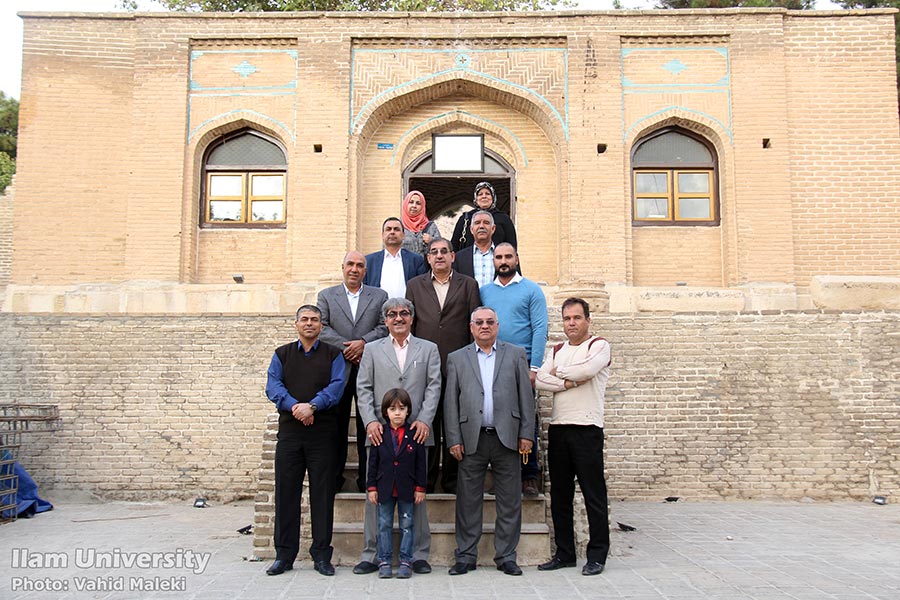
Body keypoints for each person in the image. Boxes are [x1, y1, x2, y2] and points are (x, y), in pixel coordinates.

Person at [353, 297, 442, 576]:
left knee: (416, 494)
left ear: (412, 318)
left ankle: (417, 554)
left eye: (404, 313)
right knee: (375, 496)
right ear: (385, 320)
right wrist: (369, 422)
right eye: (392, 314)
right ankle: (371, 553)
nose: (398, 318)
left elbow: (433, 386)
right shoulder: (372, 350)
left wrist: (425, 420)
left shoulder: (428, 349)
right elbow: (363, 388)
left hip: (415, 433)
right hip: (380, 434)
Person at [443, 306, 534, 576]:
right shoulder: (457, 358)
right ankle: (466, 555)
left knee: (509, 501)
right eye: (479, 322)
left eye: (490, 322)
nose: (484, 326)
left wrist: (527, 434)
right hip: (472, 439)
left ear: (497, 326)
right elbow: (451, 402)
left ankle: (506, 556)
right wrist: (453, 438)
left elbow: (526, 398)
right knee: (468, 501)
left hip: (508, 437)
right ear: (471, 327)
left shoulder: (516, 354)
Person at [264, 305, 347, 577]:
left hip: (322, 434)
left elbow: (337, 387)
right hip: (290, 434)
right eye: (305, 319)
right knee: (286, 494)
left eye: (314, 319)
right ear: (296, 324)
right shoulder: (282, 354)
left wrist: (312, 406)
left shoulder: (333, 354)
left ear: (321, 325)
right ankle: (284, 555)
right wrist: (296, 407)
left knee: (322, 496)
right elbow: (273, 386)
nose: (309, 323)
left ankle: (322, 555)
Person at [535, 297, 611, 577]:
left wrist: (559, 376)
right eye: (567, 319)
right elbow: (541, 380)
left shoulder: (599, 346)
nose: (571, 323)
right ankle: (565, 553)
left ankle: (597, 554)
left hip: (588, 427)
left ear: (588, 320)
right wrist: (569, 381)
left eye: (577, 318)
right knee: (560, 495)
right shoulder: (556, 349)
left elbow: (589, 370)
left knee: (593, 494)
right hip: (559, 428)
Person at [405, 238, 481, 493]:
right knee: (424, 422)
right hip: (424, 366)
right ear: (427, 258)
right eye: (434, 252)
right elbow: (410, 327)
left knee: (453, 424)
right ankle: (424, 480)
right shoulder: (414, 286)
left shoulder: (468, 285)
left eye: (444, 252)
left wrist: (473, 363)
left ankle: (451, 481)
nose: (439, 256)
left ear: (452, 256)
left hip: (458, 364)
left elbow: (473, 326)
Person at [479, 242, 548, 497]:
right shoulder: (484, 291)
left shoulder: (532, 290)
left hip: (522, 366)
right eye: (499, 257)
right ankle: (503, 476)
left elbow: (540, 328)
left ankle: (529, 475)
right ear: (494, 261)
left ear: (517, 259)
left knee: (525, 422)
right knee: (497, 423)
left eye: (508, 256)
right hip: (492, 364)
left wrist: (534, 367)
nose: (503, 261)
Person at [317, 251, 389, 492]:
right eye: (350, 264)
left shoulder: (379, 296)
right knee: (335, 426)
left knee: (368, 425)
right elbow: (322, 327)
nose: (354, 269)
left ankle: (367, 480)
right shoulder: (326, 296)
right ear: (343, 267)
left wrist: (363, 343)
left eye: (360, 265)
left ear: (365, 271)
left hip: (368, 367)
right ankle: (334, 480)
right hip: (338, 368)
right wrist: (348, 347)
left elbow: (383, 327)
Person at [367, 388, 427, 580]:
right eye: (393, 409)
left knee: (407, 524)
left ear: (408, 411)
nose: (398, 413)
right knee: (384, 524)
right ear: (386, 412)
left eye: (402, 408)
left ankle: (406, 560)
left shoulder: (414, 434)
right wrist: (371, 487)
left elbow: (420, 464)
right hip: (384, 487)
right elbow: (373, 463)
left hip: (407, 487)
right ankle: (384, 560)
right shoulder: (380, 433)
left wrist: (420, 487)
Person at [364, 217, 427, 300]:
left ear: (403, 235)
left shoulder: (416, 260)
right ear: (382, 235)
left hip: (407, 310)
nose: (392, 232)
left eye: (396, 229)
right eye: (388, 229)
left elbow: (421, 290)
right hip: (378, 310)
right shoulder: (369, 261)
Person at [450, 181, 517, 252]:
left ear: (493, 197)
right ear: (476, 198)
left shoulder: (503, 218)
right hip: (469, 261)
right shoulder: (466, 218)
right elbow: (454, 245)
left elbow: (512, 246)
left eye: (487, 194)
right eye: (480, 194)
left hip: (496, 260)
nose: (484, 196)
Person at [452, 210, 497, 288]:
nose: (481, 226)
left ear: (493, 228)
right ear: (471, 229)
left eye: (486, 223)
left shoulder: (505, 256)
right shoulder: (459, 257)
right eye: (477, 223)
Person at [400, 190, 442, 258]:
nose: (414, 206)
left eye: (418, 203)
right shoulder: (398, 226)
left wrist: (432, 241)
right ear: (405, 204)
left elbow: (441, 247)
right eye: (411, 202)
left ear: (422, 206)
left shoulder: (430, 227)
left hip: (424, 267)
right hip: (404, 267)